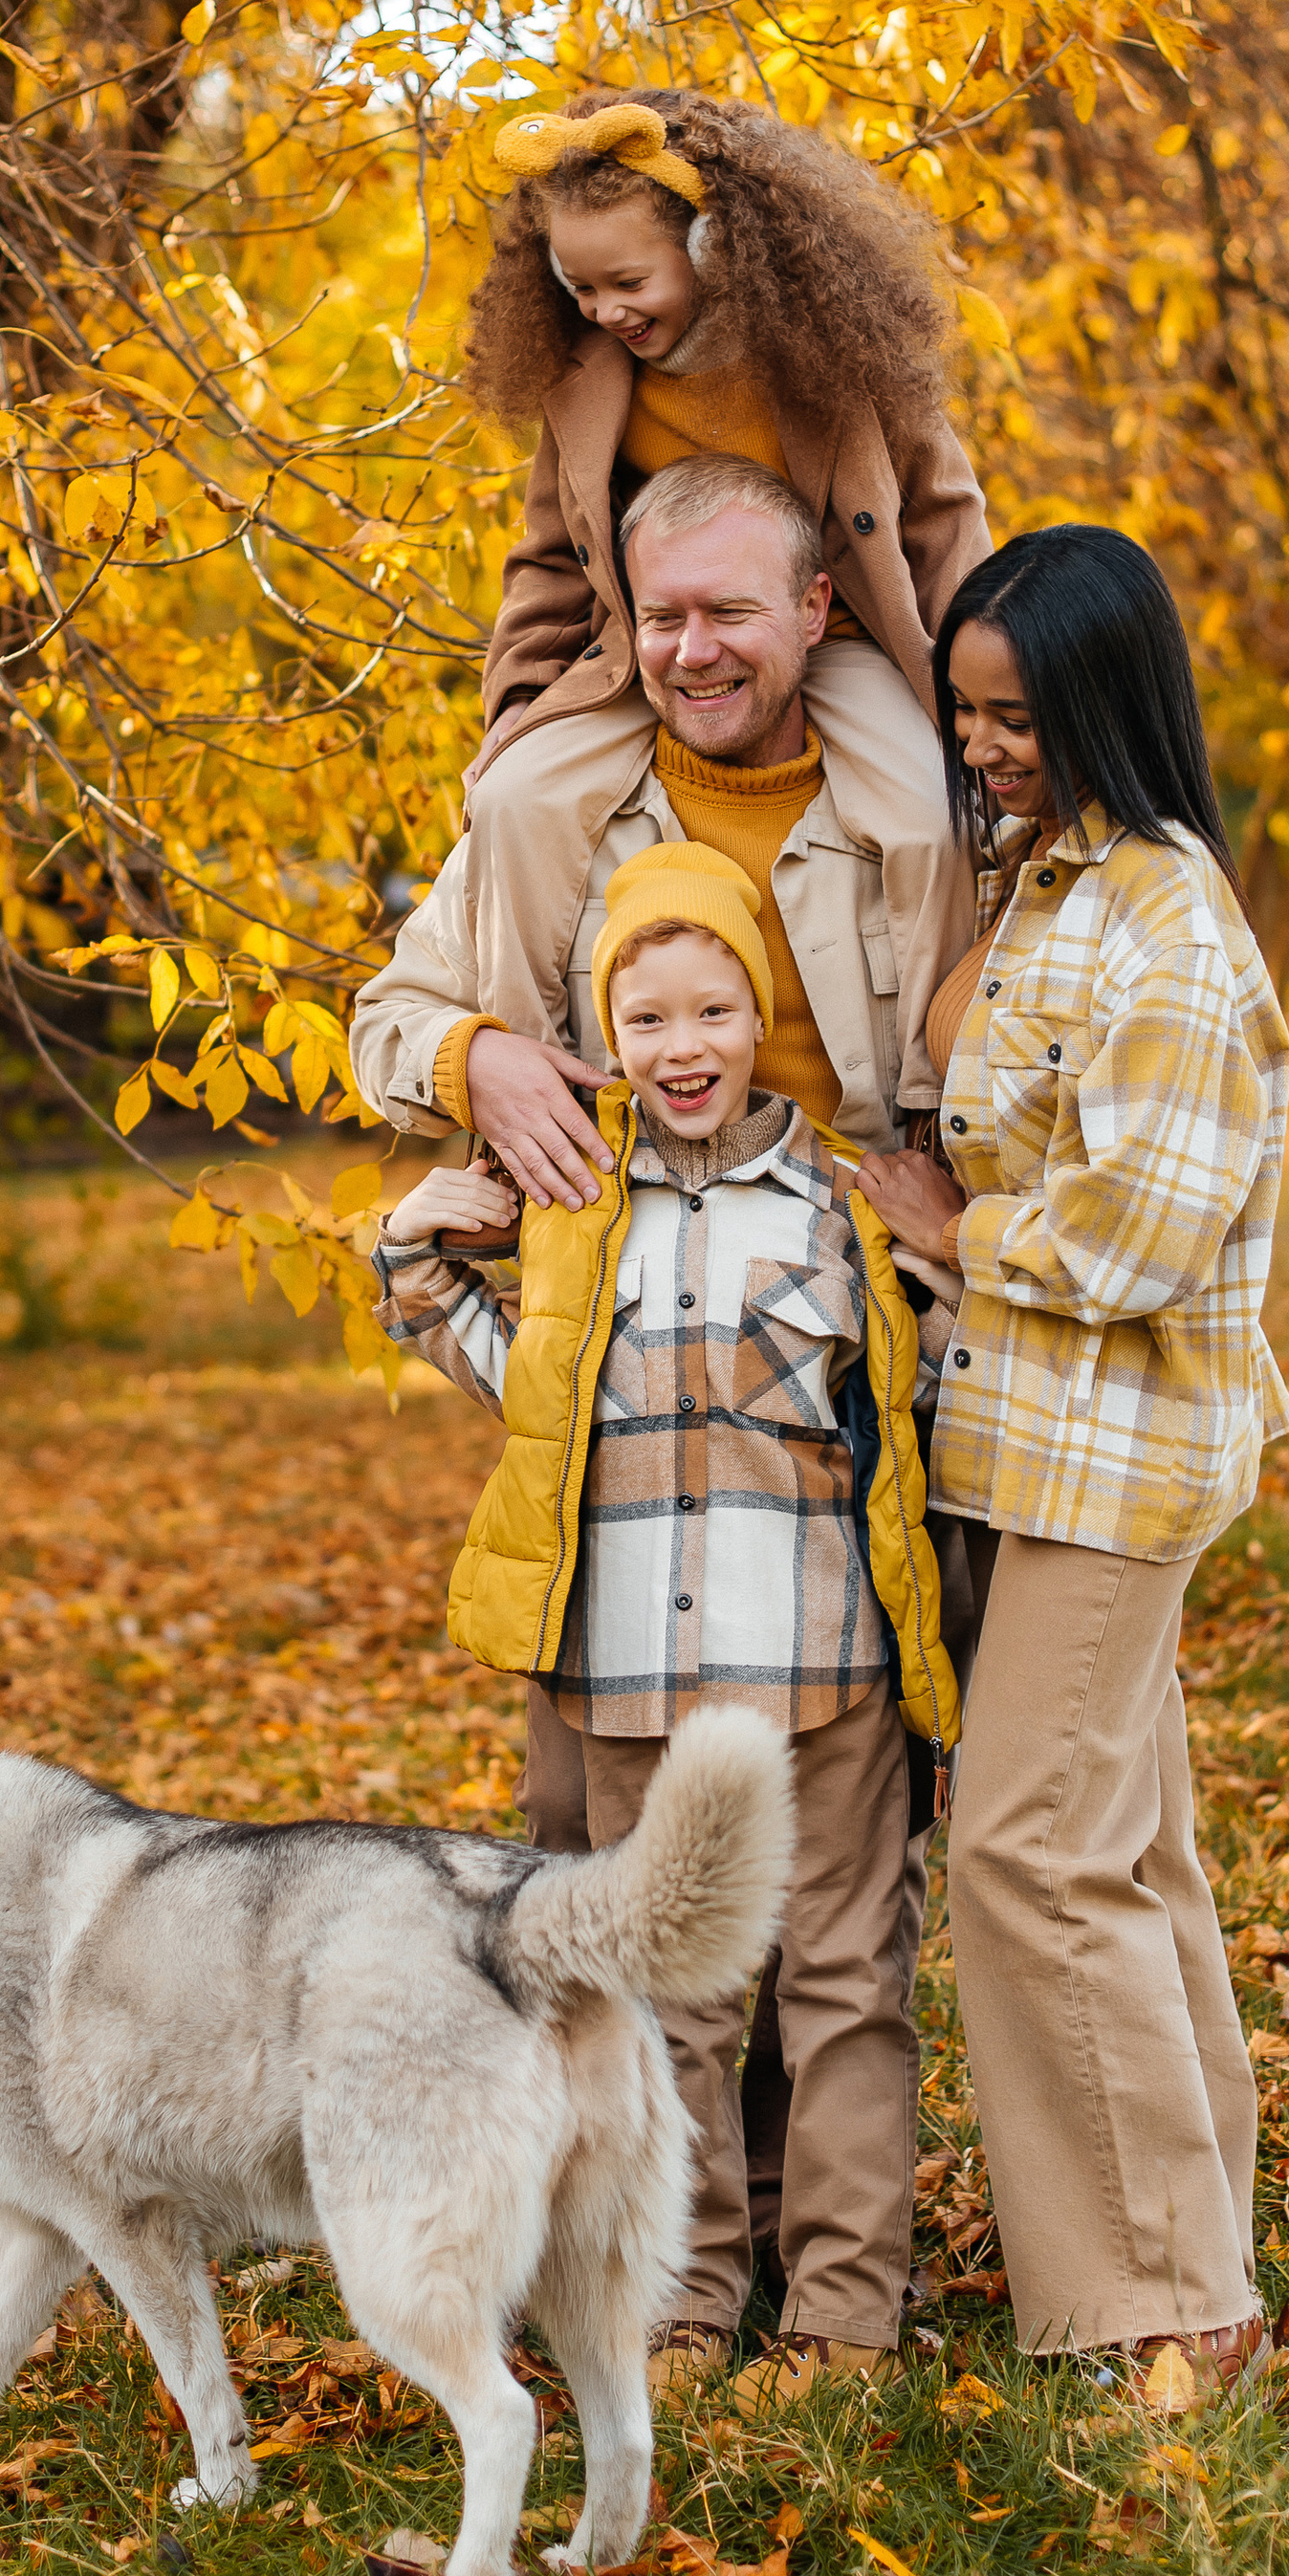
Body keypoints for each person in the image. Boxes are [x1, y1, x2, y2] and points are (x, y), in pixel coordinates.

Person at [371, 840, 960, 2411]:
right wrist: (414, 1244)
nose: (682, 1046)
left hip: (827, 1674)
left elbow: (912, 1409)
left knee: (842, 1988)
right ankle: (688, 2303)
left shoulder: (840, 1204)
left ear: (759, 1012)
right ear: (604, 1038)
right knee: (673, 2015)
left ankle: (843, 2309)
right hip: (631, 1682)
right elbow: (529, 1397)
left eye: (713, 1008)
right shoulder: (569, 1210)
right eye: (647, 1019)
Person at [348, 449, 979, 1850]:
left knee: (845, 1823)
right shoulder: (563, 823)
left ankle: (809, 2078)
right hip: (632, 1377)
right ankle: (639, 2079)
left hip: (858, 1358)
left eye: (730, 614)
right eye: (660, 615)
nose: (690, 652)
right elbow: (385, 1019)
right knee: (595, 1836)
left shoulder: (916, 810)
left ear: (817, 609)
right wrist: (479, 1053)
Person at [857, 524, 1289, 2404]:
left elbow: (1138, 1238)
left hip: (1113, 1463)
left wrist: (951, 1229)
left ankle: (1149, 2305)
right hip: (1031, 1448)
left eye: (1012, 716)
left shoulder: (1168, 931)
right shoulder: (1050, 883)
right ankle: (1199, 2263)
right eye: (963, 713)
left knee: (1026, 1851)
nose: (980, 749)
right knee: (1124, 1848)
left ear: (1102, 702)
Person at [456, 89, 990, 1054]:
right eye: (577, 290)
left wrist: (981, 698)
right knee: (508, 800)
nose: (604, 312)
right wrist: (515, 715)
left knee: (931, 821)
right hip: (652, 650)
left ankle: (931, 1091)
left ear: (713, 247)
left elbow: (943, 527)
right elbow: (546, 565)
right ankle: (529, 1074)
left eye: (626, 282)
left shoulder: (834, 351)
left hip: (840, 640)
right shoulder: (585, 385)